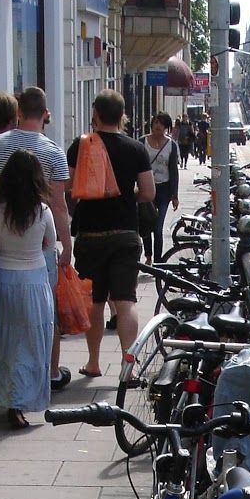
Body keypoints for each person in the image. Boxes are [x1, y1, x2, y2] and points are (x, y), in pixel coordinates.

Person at [0, 85, 74, 391]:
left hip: (2, 243)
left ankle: (6, 377)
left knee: (5, 320)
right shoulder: (54, 152)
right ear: (45, 114)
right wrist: (66, 246)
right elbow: (58, 203)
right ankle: (50, 372)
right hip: (39, 245)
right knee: (45, 317)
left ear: (18, 113)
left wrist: (2, 196)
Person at [64, 89, 155, 376]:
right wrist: (127, 196)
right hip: (126, 232)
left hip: (91, 234)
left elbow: (68, 186)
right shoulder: (136, 149)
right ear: (122, 115)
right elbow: (149, 192)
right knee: (125, 301)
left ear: (95, 114)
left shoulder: (81, 146)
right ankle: (129, 365)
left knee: (95, 301)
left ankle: (93, 362)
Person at [0, 150, 57, 429]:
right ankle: (22, 399)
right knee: (32, 341)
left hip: (2, 279)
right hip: (33, 280)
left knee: (6, 342)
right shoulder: (42, 210)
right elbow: (50, 244)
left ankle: (9, 398)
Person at [142, 109, 179, 264]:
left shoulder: (171, 145)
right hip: (145, 188)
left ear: (167, 127)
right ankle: (148, 256)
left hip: (163, 190)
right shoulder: (142, 142)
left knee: (158, 227)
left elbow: (173, 171)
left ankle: (157, 261)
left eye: (161, 124)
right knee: (145, 225)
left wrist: (175, 195)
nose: (158, 126)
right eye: (156, 123)